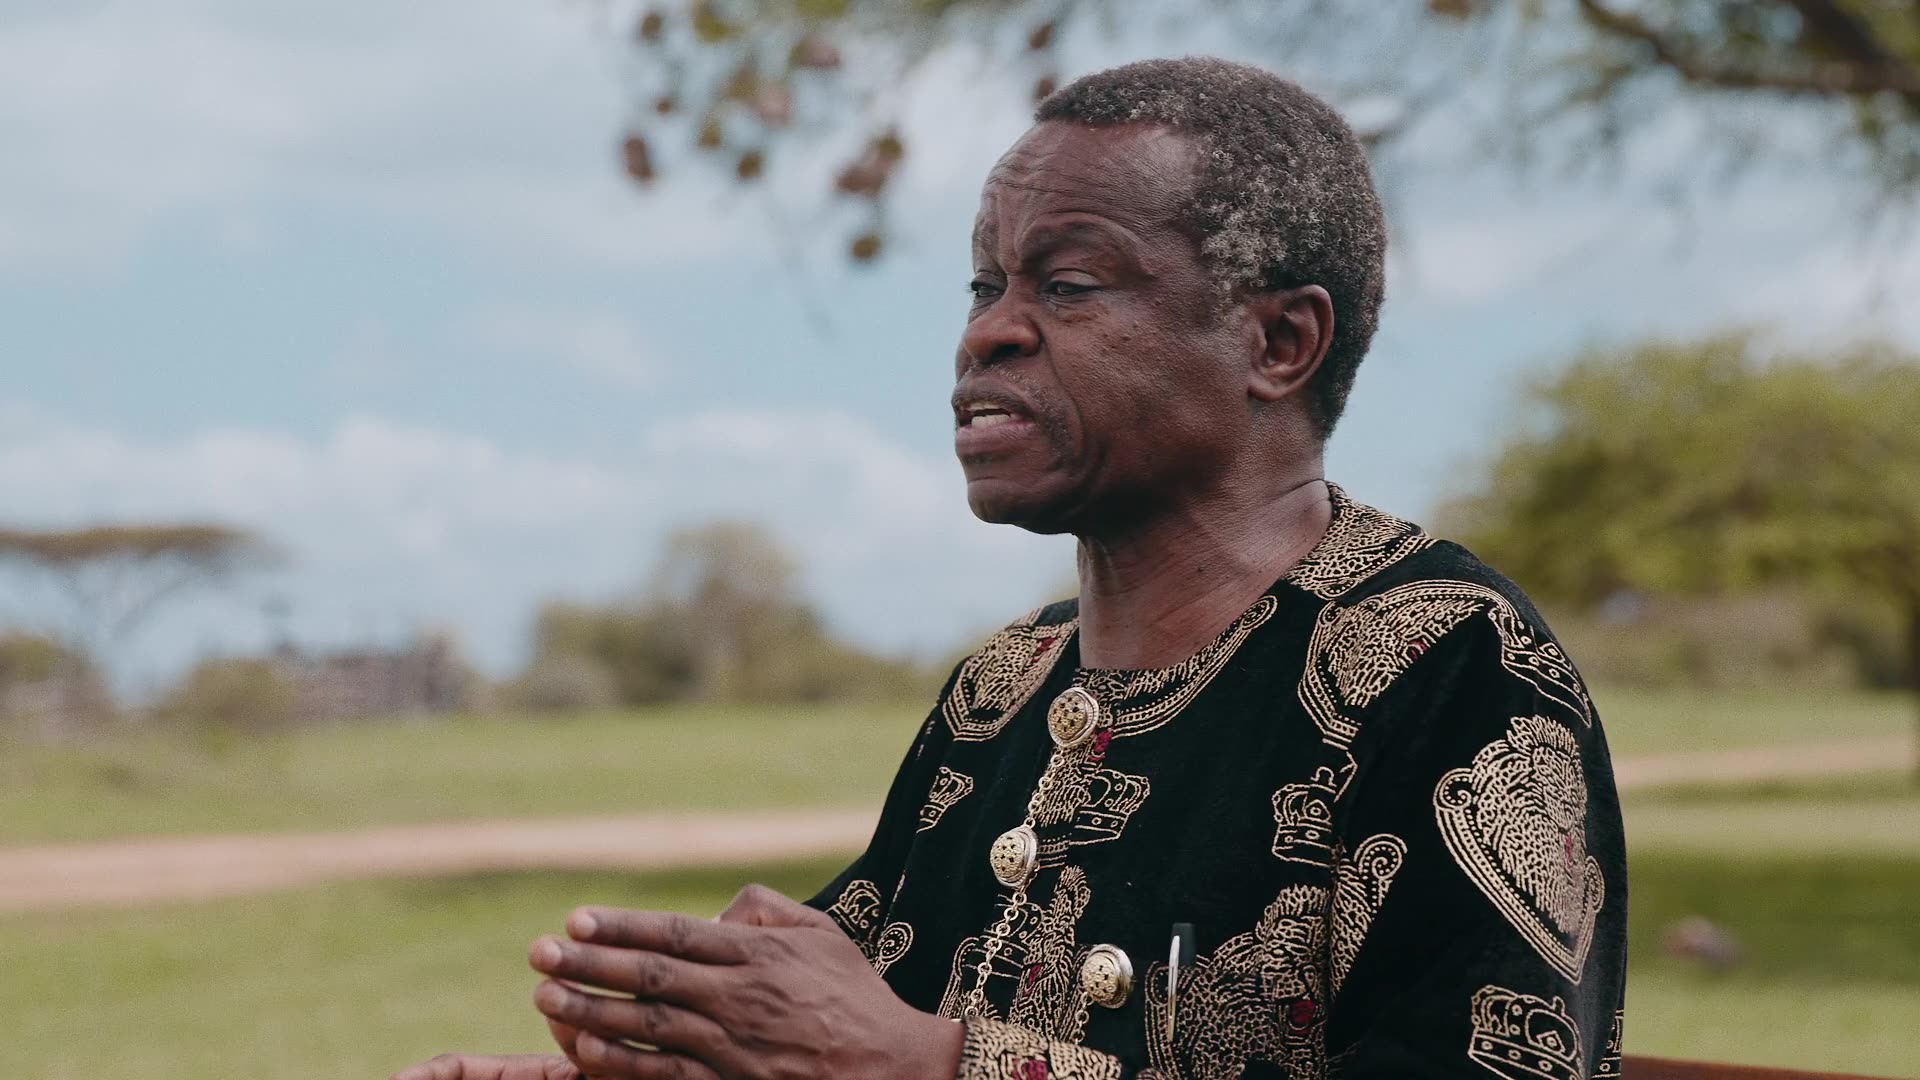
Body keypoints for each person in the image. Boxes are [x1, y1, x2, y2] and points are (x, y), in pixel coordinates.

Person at [395, 56, 1626, 1080]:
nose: (988, 331)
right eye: (986, 284)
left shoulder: (1447, 665)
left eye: (1067, 284)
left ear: (1278, 341)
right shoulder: (1003, 689)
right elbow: (841, 1031)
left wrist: (939, 1070)